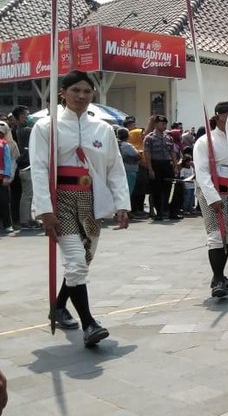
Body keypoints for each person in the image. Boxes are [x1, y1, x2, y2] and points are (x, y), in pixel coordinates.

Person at [31, 70, 130, 345]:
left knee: (82, 262)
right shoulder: (46, 127)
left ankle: (59, 305)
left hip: (90, 200)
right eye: (75, 90)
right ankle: (89, 324)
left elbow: (115, 169)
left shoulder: (102, 129)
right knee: (75, 261)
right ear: (62, 93)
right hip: (60, 199)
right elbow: (39, 169)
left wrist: (122, 203)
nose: (81, 96)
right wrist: (44, 209)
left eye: (87, 91)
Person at [195, 103, 228, 298]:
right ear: (217, 118)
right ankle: (217, 279)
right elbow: (201, 172)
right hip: (211, 192)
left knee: (227, 234)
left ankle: (221, 276)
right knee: (216, 234)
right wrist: (213, 197)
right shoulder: (205, 142)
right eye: (226, 116)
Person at [143, 115, 178, 221]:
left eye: (165, 124)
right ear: (156, 124)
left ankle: (172, 211)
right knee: (156, 190)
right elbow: (147, 154)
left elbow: (172, 152)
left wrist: (175, 166)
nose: (164, 126)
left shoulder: (168, 137)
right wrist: (150, 169)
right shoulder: (149, 138)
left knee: (171, 189)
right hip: (155, 164)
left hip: (167, 164)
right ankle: (159, 213)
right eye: (162, 124)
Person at [116, 127, 140, 202]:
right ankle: (126, 211)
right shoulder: (127, 146)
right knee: (128, 191)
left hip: (121, 170)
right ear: (128, 135)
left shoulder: (117, 145)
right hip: (130, 170)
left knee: (121, 191)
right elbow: (138, 156)